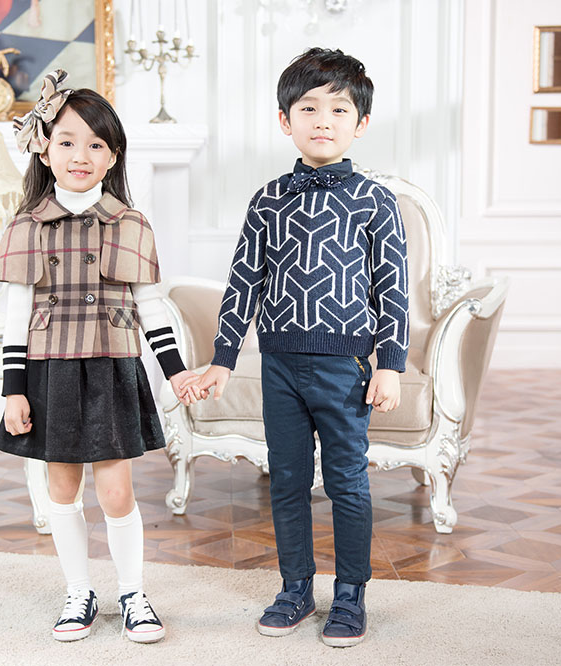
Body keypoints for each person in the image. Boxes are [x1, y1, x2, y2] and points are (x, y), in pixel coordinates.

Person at [196, 48, 409, 648]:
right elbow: (244, 281)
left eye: (339, 109)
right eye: (308, 108)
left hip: (346, 367)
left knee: (347, 483)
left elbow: (393, 287)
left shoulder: (375, 200)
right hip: (280, 365)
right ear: (284, 119)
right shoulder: (267, 200)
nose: (323, 120)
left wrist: (390, 365)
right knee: (287, 480)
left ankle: (351, 594)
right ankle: (295, 588)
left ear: (361, 124)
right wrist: (223, 358)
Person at [0, 69, 203, 644]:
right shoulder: (26, 226)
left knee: (116, 491)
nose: (80, 156)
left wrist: (176, 374)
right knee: (61, 490)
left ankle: (133, 593)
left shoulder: (131, 224)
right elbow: (15, 316)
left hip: (111, 368)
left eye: (96, 145)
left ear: (113, 156)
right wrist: (13, 390)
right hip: (48, 372)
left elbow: (151, 307)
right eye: (67, 141)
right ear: (44, 149)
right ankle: (78, 591)